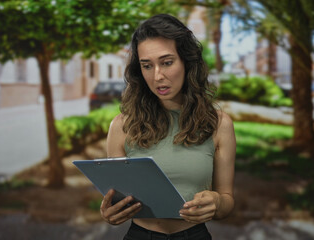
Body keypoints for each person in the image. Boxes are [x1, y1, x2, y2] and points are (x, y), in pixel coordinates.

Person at [101, 13, 236, 240]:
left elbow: (227, 200)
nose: (157, 76)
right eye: (147, 65)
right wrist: (109, 212)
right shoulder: (121, 126)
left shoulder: (219, 124)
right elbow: (117, 198)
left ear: (186, 61)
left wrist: (218, 203)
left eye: (167, 62)